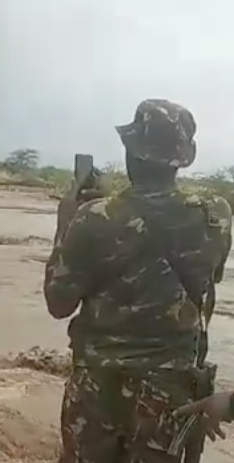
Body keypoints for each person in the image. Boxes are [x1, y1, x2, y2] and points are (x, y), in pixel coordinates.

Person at [43, 99, 233, 463]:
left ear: (131, 152)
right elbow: (208, 277)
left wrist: (66, 223)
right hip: (173, 391)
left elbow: (58, 302)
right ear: (183, 157)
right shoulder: (216, 214)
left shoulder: (93, 219)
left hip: (98, 390)